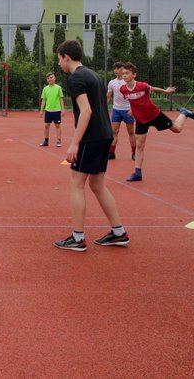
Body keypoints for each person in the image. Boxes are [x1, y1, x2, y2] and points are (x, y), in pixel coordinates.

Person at [53, 40, 128, 251]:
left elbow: (86, 111)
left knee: (76, 183)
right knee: (97, 184)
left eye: (59, 59)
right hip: (104, 135)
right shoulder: (94, 75)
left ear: (67, 57)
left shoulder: (76, 78)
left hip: (91, 137)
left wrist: (74, 143)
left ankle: (77, 238)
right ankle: (119, 232)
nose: (59, 64)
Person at [119, 62, 194, 182]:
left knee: (177, 129)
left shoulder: (142, 86)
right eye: (123, 73)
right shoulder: (123, 89)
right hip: (141, 120)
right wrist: (132, 111)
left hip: (154, 115)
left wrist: (166, 91)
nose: (124, 76)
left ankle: (184, 113)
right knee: (140, 145)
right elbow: (133, 101)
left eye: (127, 73)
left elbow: (153, 89)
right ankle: (137, 173)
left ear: (134, 75)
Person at [106, 62, 136, 160]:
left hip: (128, 110)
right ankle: (111, 152)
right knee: (114, 132)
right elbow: (108, 97)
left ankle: (134, 152)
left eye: (118, 68)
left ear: (123, 70)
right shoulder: (112, 83)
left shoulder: (128, 81)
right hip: (116, 110)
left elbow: (135, 96)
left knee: (131, 132)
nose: (116, 70)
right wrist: (102, 108)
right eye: (115, 68)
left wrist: (133, 109)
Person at [39, 72, 65, 148]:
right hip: (48, 110)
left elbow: (61, 99)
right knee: (46, 125)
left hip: (56, 110)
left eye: (51, 77)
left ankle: (59, 141)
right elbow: (43, 100)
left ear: (54, 78)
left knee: (57, 125)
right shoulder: (45, 89)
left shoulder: (58, 88)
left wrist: (63, 109)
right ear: (47, 80)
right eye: (48, 78)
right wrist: (41, 110)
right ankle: (46, 141)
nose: (50, 79)